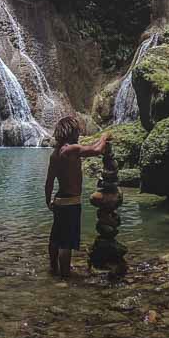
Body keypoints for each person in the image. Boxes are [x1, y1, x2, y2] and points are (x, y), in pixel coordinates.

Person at [44, 116, 109, 277]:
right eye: (77, 131)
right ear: (72, 133)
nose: (79, 134)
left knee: (55, 237)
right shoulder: (71, 149)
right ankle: (65, 276)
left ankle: (53, 268)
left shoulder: (55, 153)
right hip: (71, 203)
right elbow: (97, 150)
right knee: (66, 242)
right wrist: (104, 137)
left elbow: (49, 182)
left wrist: (48, 201)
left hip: (59, 201)